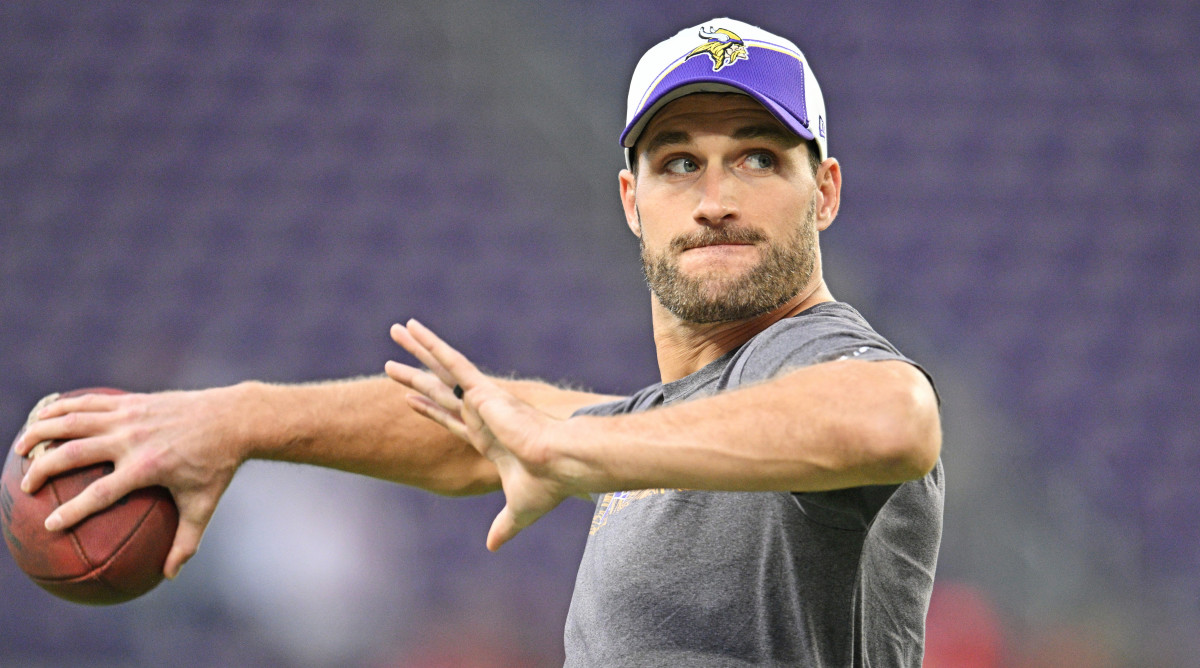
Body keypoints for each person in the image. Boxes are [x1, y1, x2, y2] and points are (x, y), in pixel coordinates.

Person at [15, 17, 943, 667]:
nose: (714, 197)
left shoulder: (815, 360)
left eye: (757, 157)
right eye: (678, 163)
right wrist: (236, 419)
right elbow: (479, 431)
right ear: (632, 202)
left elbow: (891, 416)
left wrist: (567, 449)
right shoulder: (665, 425)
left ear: (824, 191)